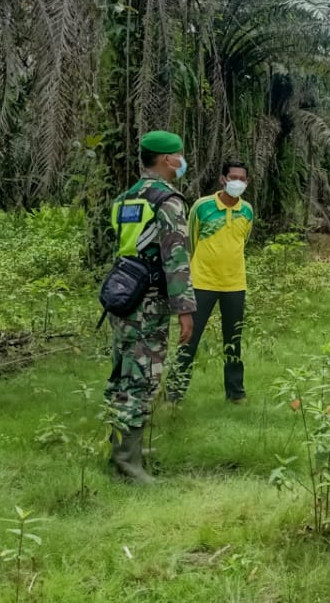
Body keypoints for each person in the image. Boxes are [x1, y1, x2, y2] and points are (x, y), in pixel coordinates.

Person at [104, 130, 196, 484]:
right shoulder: (167, 200)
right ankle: (127, 465)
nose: (181, 161)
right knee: (142, 377)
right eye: (179, 155)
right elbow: (175, 258)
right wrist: (185, 309)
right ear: (165, 159)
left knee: (122, 373)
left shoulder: (126, 198)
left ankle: (126, 447)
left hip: (123, 294)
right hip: (149, 301)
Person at [171, 161, 254, 404]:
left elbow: (243, 241)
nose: (237, 182)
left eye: (242, 178)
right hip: (202, 283)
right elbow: (191, 241)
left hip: (235, 285)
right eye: (233, 177)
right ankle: (174, 393)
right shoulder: (202, 206)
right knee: (189, 338)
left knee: (233, 340)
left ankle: (236, 393)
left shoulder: (247, 210)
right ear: (222, 179)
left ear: (246, 182)